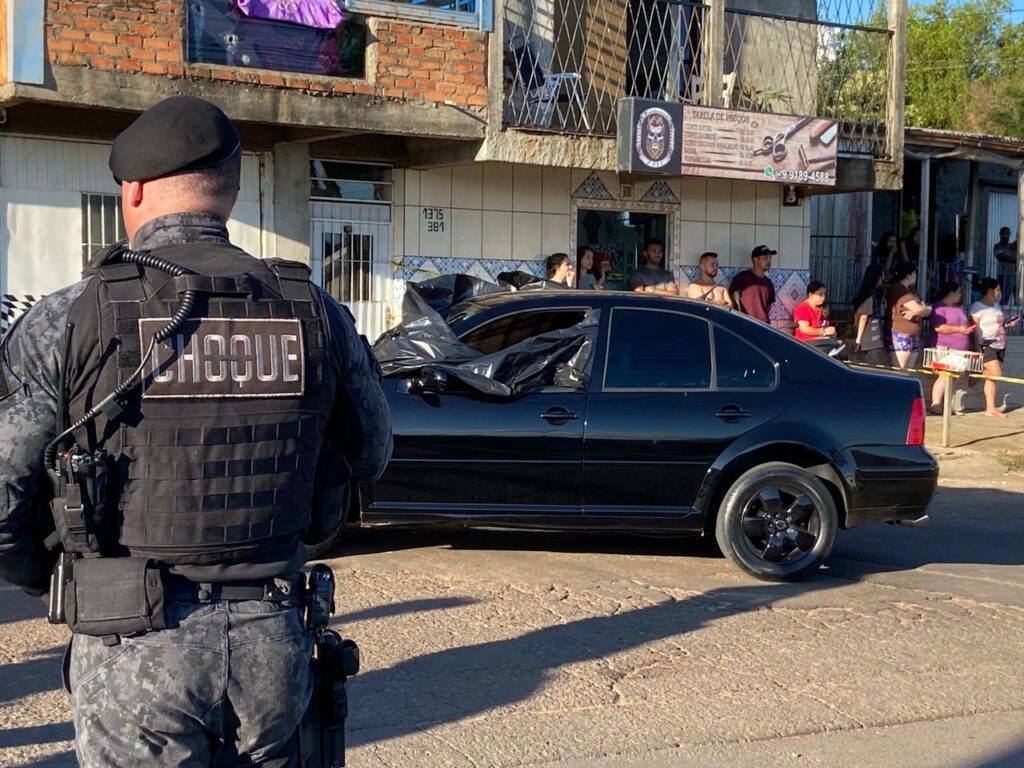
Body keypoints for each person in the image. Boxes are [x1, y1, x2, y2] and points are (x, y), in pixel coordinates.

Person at [0, 96, 393, 765]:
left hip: (132, 649)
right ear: (230, 193)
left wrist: (60, 580)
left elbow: (5, 496)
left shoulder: (69, 318)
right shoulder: (312, 309)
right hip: (273, 640)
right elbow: (372, 453)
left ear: (133, 191)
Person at [970, 277, 1020, 418]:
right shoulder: (977, 307)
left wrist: (1008, 325)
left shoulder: (996, 306)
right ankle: (978, 371)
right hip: (986, 344)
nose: (999, 292)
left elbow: (996, 324)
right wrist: (976, 349)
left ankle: (990, 408)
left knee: (992, 379)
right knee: (995, 373)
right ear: (990, 291)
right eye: (997, 289)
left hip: (1000, 344)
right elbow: (973, 328)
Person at [928, 282, 975, 415]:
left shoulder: (959, 308)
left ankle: (948, 405)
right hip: (945, 347)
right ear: (951, 293)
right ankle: (936, 404)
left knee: (954, 377)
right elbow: (939, 327)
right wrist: (959, 329)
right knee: (943, 376)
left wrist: (966, 330)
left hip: (960, 348)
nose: (960, 295)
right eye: (959, 292)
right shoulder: (939, 307)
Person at [886, 261, 931, 370]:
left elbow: (924, 310)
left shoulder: (911, 290)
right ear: (908, 275)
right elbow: (919, 308)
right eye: (914, 273)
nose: (916, 276)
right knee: (900, 370)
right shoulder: (898, 289)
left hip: (913, 333)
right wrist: (920, 310)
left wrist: (920, 311)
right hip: (901, 333)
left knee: (908, 371)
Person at [851, 265, 887, 366]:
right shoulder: (870, 297)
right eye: (882, 276)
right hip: (872, 340)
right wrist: (858, 339)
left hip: (870, 339)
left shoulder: (871, 294)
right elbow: (864, 317)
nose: (883, 279)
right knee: (876, 369)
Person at [731, 245, 776, 323]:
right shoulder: (742, 278)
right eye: (765, 258)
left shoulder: (768, 282)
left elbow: (769, 305)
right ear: (755, 260)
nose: (769, 261)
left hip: (764, 325)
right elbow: (732, 298)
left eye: (770, 258)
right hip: (746, 324)